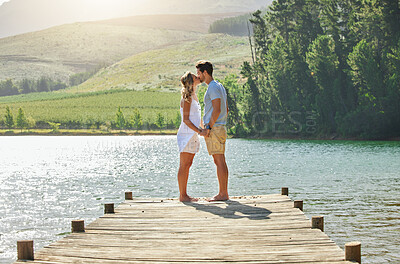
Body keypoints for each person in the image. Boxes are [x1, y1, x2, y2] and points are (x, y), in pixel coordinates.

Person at [196, 60, 230, 201]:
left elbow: (217, 109)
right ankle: (223, 193)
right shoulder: (219, 86)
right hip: (219, 126)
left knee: (219, 160)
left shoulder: (212, 88)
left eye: (199, 73)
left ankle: (223, 194)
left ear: (205, 72)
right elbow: (226, 109)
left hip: (215, 128)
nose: (198, 77)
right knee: (220, 160)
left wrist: (209, 127)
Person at [176, 71, 202, 202]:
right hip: (187, 135)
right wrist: (199, 130)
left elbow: (196, 116)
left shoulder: (194, 96)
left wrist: (202, 129)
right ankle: (183, 195)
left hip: (193, 134)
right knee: (184, 164)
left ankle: (184, 194)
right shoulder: (187, 98)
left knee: (188, 163)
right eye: (195, 77)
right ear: (191, 82)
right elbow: (186, 119)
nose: (198, 78)